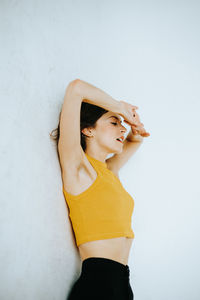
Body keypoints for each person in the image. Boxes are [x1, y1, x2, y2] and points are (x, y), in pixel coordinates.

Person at [50, 79, 150, 300]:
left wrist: (132, 127)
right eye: (114, 123)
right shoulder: (79, 167)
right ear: (87, 130)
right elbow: (76, 89)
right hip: (99, 283)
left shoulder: (108, 171)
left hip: (123, 283)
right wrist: (119, 107)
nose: (122, 128)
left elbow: (136, 141)